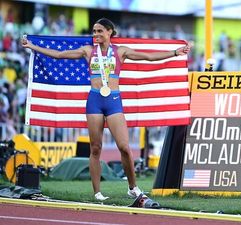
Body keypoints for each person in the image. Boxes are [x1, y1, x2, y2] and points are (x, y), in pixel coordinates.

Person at [21, 18, 191, 202]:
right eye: (94, 31)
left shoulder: (120, 51)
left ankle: (133, 188)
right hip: (94, 100)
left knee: (124, 147)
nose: (96, 35)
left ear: (109, 32)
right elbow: (60, 55)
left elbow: (148, 57)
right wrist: (33, 47)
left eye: (99, 31)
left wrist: (175, 52)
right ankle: (97, 192)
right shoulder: (88, 51)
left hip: (114, 100)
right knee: (95, 148)